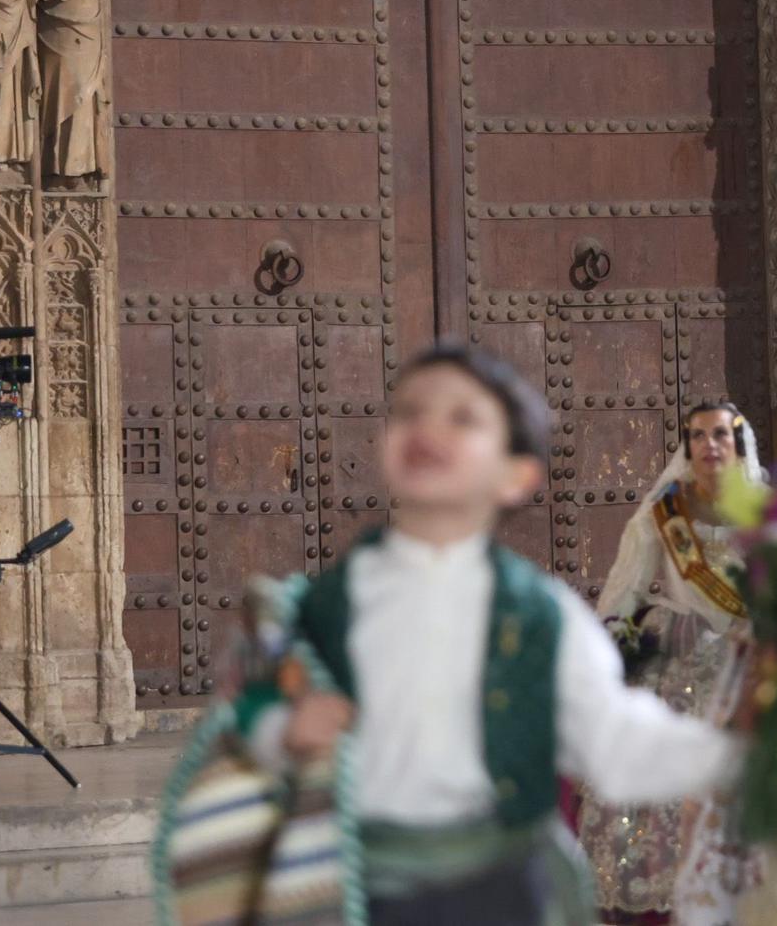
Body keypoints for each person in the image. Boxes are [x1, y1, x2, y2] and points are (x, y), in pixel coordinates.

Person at [175, 345, 739, 926]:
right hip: (361, 889)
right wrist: (283, 728)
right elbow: (248, 714)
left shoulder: (542, 614)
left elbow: (617, 740)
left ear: (516, 474)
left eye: (462, 418)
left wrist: (745, 756)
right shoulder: (328, 603)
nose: (428, 428)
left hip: (505, 889)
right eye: (409, 411)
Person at [582, 401, 764, 926]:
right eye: (698, 435)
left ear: (738, 444)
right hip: (677, 657)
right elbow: (625, 589)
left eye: (721, 435)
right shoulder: (663, 511)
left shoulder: (766, 511)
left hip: (742, 661)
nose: (709, 445)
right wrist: (609, 656)